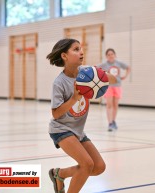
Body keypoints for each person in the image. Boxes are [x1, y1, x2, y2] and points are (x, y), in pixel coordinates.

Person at [47, 38, 116, 193]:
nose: (81, 52)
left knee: (98, 167)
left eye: (81, 49)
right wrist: (73, 99)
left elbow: (114, 80)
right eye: (76, 49)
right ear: (64, 56)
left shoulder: (87, 73)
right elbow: (56, 113)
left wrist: (100, 74)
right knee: (86, 164)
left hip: (78, 130)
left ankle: (60, 174)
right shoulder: (59, 83)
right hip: (61, 128)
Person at [98, 48, 130, 131]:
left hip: (117, 86)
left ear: (115, 55)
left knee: (115, 105)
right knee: (109, 105)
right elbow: (96, 70)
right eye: (108, 55)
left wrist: (125, 76)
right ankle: (110, 123)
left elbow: (128, 67)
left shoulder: (119, 63)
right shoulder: (104, 64)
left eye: (112, 54)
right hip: (109, 86)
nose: (110, 56)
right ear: (106, 56)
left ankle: (113, 120)